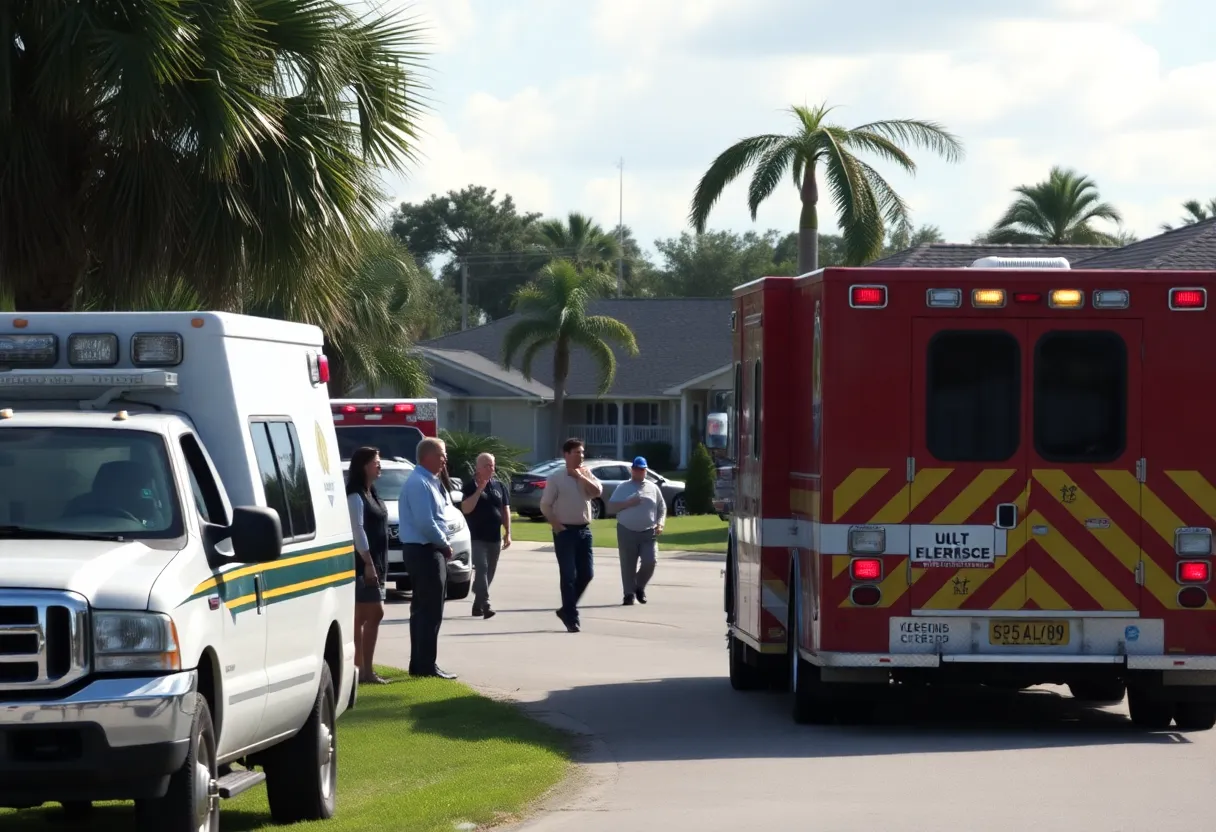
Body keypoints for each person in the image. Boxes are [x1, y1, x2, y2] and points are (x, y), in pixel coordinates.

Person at [397, 436, 456, 679]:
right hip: (425, 551)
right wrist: (444, 544)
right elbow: (426, 522)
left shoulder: (429, 481)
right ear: (427, 456)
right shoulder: (419, 483)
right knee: (429, 610)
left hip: (426, 550)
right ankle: (425, 665)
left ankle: (421, 663)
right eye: (441, 454)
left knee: (424, 609)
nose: (445, 459)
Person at [540, 437, 602, 633]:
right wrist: (556, 525)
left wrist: (580, 477)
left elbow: (597, 491)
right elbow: (545, 505)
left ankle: (566, 609)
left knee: (587, 574)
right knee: (568, 575)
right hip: (565, 532)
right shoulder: (556, 478)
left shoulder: (586, 473)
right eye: (576, 452)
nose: (581, 456)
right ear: (566, 455)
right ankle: (572, 617)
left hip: (584, 531)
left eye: (582, 452)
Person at [346, 446, 391, 684]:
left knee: (369, 615)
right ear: (364, 465)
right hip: (364, 564)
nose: (379, 465)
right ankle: (360, 670)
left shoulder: (371, 491)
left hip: (377, 563)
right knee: (366, 615)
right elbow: (357, 530)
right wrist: (368, 562)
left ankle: (364, 670)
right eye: (376, 461)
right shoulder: (355, 495)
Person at [607, 456, 666, 606]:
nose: (639, 472)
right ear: (632, 470)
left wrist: (660, 523)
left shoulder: (653, 488)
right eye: (636, 469)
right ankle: (628, 594)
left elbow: (661, 508)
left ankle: (638, 586)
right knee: (628, 564)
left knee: (650, 561)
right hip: (626, 530)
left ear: (645, 470)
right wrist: (628, 503)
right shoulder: (623, 487)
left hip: (648, 532)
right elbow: (611, 506)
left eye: (642, 469)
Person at [460, 452, 512, 619]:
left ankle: (477, 605)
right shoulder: (469, 486)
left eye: (493, 465)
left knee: (490, 572)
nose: (491, 468)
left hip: (494, 537)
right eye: (487, 465)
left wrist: (508, 532)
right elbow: (466, 508)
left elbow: (505, 509)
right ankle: (486, 603)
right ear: (478, 468)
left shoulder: (499, 486)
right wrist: (479, 490)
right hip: (476, 537)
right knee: (481, 569)